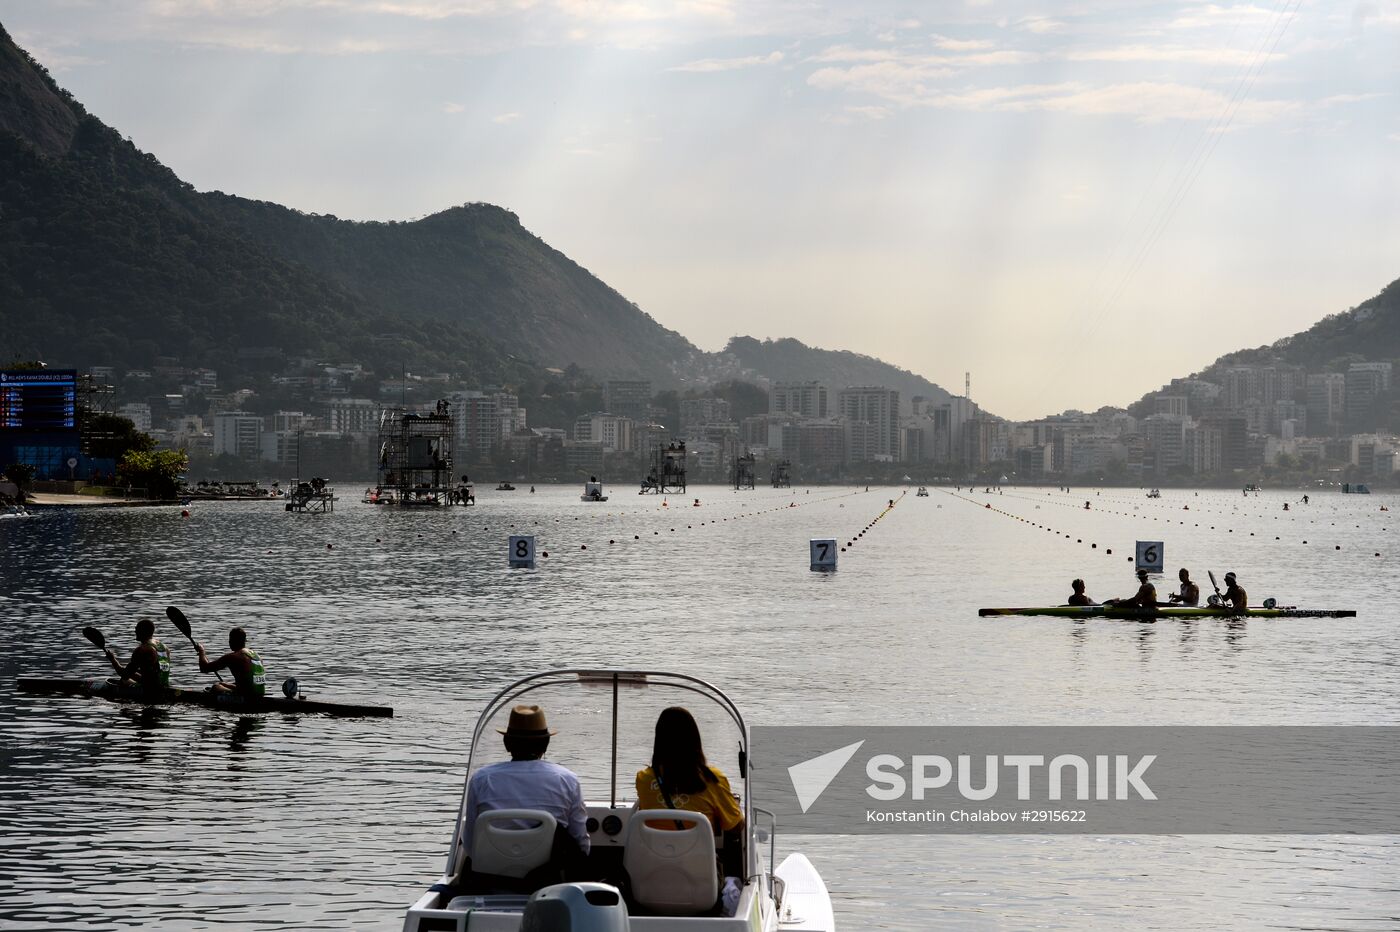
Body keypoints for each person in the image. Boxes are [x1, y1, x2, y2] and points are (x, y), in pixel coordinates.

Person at [462, 705, 589, 870]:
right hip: (549, 883)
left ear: (507, 743)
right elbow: (581, 844)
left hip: (491, 880)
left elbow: (470, 844)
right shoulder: (567, 780)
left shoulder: (482, 779)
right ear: (545, 745)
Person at [636, 706, 743, 878]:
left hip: (652, 875)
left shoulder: (643, 779)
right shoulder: (713, 780)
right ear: (694, 740)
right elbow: (735, 827)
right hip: (701, 878)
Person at [195, 627, 266, 699]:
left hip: (247, 695)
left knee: (216, 687)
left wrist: (201, 651)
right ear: (244, 641)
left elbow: (204, 668)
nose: (229, 642)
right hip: (261, 693)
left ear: (233, 641)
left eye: (230, 640)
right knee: (222, 683)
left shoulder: (233, 657)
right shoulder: (257, 656)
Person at [105, 618, 171, 694]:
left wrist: (112, 659)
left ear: (143, 631)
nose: (135, 631)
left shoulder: (142, 650)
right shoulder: (164, 647)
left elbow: (125, 674)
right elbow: (154, 672)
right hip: (164, 686)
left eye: (137, 629)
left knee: (123, 679)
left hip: (150, 690)